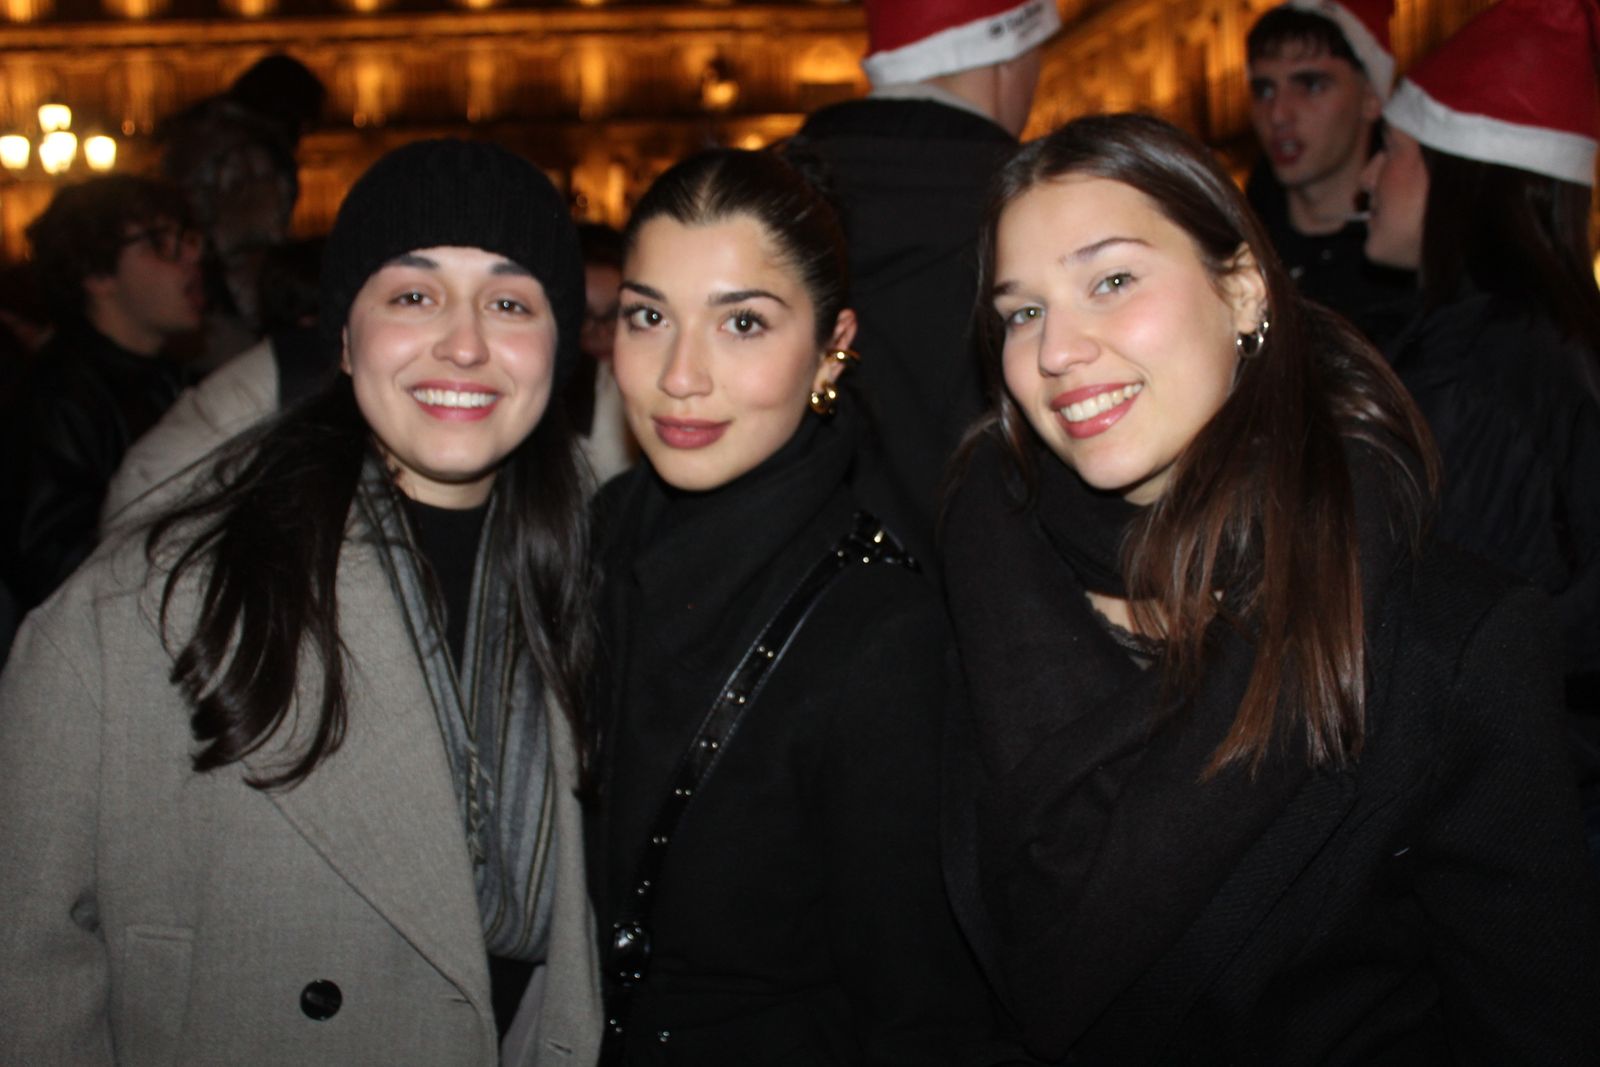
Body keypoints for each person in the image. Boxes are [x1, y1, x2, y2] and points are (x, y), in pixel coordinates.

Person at [941, 113, 1598, 1064]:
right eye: (1022, 310)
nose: (1056, 350)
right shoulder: (982, 580)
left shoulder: (1451, 644)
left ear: (1243, 289)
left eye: (1112, 280)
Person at [0, 140, 601, 1065]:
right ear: (345, 336)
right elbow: (27, 961)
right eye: (413, 294)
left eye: (512, 303)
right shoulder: (142, 613)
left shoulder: (598, 586)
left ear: (560, 348)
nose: (467, 341)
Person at [586, 148, 998, 1063]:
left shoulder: (881, 635)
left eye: (742, 323)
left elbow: (921, 1018)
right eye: (648, 316)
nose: (680, 374)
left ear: (834, 345)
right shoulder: (591, 544)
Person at [1361, 0, 1600, 712]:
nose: (1368, 178)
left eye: (1392, 149)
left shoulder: (1473, 379)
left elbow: (1439, 650)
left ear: (1461, 175)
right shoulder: (1545, 340)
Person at [791, 0, 1059, 551]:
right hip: (1003, 581)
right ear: (1008, 58)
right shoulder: (1038, 207)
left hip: (810, 598)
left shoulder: (781, 193)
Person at [0, 175, 203, 618]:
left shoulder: (166, 377)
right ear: (96, 273)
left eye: (185, 237)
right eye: (159, 243)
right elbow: (49, 563)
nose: (191, 255)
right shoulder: (61, 396)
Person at [101, 237, 331, 529]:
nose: (194, 254)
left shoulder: (171, 372)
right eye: (161, 244)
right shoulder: (67, 395)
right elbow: (130, 506)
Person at [1243, 0, 1413, 344]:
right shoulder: (1236, 250)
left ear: (1370, 97)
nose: (1278, 114)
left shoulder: (1412, 260)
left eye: (1311, 85)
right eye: (1264, 90)